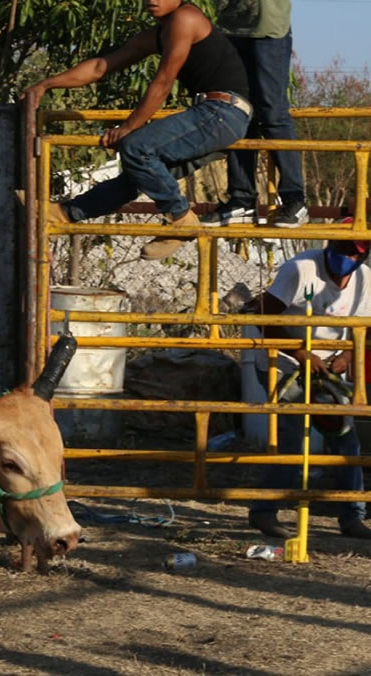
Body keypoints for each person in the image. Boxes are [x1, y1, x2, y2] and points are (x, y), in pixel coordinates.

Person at [22, 0, 252, 261]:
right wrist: (46, 85)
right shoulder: (156, 35)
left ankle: (180, 218)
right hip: (216, 116)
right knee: (139, 174)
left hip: (222, 112)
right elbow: (99, 67)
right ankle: (62, 214)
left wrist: (130, 127)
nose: (151, 0)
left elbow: (164, 80)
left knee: (136, 147)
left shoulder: (185, 18)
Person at [247, 237, 371, 540]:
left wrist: (348, 354)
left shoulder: (365, 279)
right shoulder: (300, 269)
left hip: (327, 369)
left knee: (345, 440)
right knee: (293, 440)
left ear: (362, 256)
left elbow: (364, 327)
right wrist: (301, 353)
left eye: (353, 253)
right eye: (341, 249)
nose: (345, 257)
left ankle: (352, 514)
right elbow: (262, 315)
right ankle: (264, 510)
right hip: (282, 363)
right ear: (330, 246)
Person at [206, 0, 306, 228]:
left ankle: (294, 198)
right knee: (239, 111)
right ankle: (242, 199)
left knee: (273, 111)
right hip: (230, 25)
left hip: (268, 28)